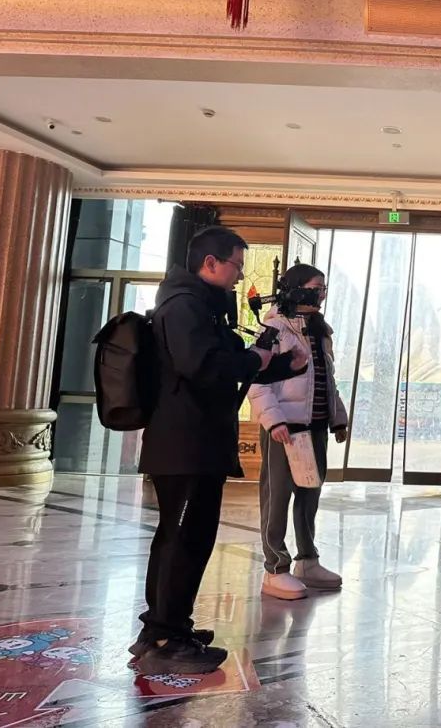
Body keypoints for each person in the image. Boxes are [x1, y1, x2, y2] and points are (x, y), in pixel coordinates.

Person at [132, 226, 304, 675]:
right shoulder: (184, 305)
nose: (239, 276)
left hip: (195, 442)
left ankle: (167, 627)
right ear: (210, 263)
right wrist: (255, 359)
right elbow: (204, 366)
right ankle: (165, 637)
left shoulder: (201, 306)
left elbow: (233, 364)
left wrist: (282, 365)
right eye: (235, 266)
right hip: (185, 443)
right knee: (182, 539)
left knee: (185, 537)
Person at [248, 263, 348, 601]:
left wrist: (337, 418)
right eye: (316, 287)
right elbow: (258, 382)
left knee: (310, 494)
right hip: (284, 430)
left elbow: (326, 379)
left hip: (315, 427)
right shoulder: (274, 328)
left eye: (323, 288)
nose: (321, 294)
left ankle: (308, 560)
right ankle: (275, 568)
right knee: (277, 496)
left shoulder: (320, 330)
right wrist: (274, 421)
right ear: (296, 288)